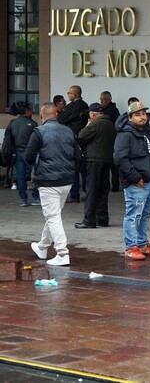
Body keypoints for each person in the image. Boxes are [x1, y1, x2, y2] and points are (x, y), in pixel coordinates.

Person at [25, 102, 79, 266]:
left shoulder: (39, 131)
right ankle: (42, 247)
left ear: (41, 116)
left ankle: (62, 253)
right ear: (57, 114)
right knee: (53, 215)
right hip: (66, 180)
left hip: (48, 180)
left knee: (53, 217)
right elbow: (78, 156)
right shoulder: (68, 131)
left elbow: (28, 156)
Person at [113, 102, 150, 260]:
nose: (142, 117)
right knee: (133, 215)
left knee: (145, 214)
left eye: (143, 113)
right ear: (129, 117)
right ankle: (131, 246)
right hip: (137, 182)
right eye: (137, 114)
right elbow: (120, 158)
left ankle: (142, 244)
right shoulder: (125, 134)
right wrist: (135, 177)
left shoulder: (147, 131)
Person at [75, 103, 116, 229]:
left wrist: (87, 125)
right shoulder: (110, 123)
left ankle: (89, 220)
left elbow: (81, 136)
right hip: (107, 160)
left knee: (91, 190)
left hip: (94, 160)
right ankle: (102, 218)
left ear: (93, 114)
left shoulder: (96, 123)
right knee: (103, 190)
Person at [58, 85, 89, 203]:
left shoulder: (71, 106)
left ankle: (74, 195)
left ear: (74, 95)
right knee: (84, 169)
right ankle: (87, 193)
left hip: (73, 139)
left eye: (69, 93)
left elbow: (61, 119)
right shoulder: (85, 105)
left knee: (74, 169)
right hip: (84, 140)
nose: (68, 95)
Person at [9, 104, 39, 206]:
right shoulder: (32, 124)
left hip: (17, 153)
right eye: (30, 111)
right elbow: (37, 139)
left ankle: (23, 199)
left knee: (20, 176)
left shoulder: (13, 123)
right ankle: (35, 197)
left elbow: (9, 139)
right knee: (34, 175)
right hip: (30, 153)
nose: (32, 113)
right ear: (27, 111)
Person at [99, 91, 121, 191]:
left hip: (112, 140)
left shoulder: (113, 110)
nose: (102, 101)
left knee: (113, 165)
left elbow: (117, 125)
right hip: (104, 141)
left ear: (109, 100)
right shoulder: (101, 110)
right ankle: (106, 185)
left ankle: (115, 185)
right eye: (101, 99)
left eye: (103, 99)